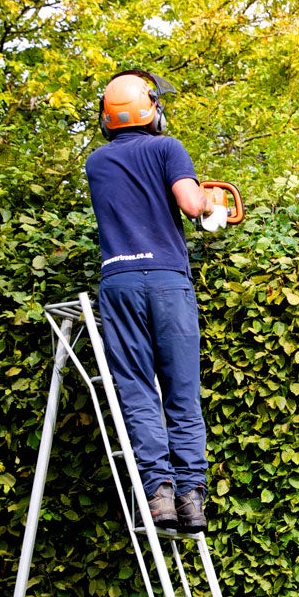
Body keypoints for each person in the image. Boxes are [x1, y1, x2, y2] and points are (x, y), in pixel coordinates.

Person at [83, 70, 230, 533]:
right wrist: (211, 203)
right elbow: (189, 204)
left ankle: (159, 494)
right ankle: (191, 499)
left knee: (137, 389)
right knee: (181, 390)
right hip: (168, 280)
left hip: (120, 281)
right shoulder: (168, 148)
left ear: (109, 120)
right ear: (154, 111)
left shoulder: (97, 162)